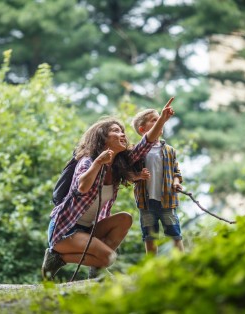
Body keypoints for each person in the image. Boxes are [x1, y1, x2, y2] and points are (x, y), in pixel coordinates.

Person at [41, 99, 175, 281]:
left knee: (125, 219)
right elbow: (82, 187)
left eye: (123, 131)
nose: (122, 135)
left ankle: (96, 269)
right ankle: (57, 257)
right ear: (103, 138)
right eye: (116, 131)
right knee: (108, 257)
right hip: (65, 230)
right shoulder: (87, 161)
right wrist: (98, 163)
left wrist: (162, 120)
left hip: (87, 230)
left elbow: (146, 143)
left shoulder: (120, 163)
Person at [130, 108, 184, 255]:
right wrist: (138, 176)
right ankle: (152, 269)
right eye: (154, 120)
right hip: (146, 203)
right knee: (150, 237)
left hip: (167, 200)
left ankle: (182, 265)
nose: (160, 122)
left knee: (175, 234)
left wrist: (176, 182)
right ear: (142, 129)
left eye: (159, 119)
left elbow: (176, 172)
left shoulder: (169, 150)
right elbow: (128, 175)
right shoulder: (137, 151)